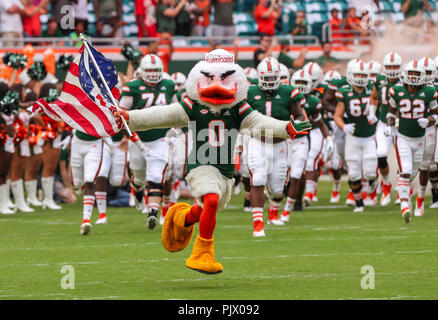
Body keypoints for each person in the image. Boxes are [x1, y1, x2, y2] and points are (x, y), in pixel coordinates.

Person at [113, 48, 311, 274]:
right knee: (211, 201)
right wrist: (130, 117)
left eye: (224, 78)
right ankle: (203, 252)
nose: (217, 85)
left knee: (205, 206)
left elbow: (260, 122)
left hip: (225, 171)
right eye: (210, 78)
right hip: (200, 164)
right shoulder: (193, 105)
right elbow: (161, 115)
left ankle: (182, 218)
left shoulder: (238, 107)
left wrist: (286, 128)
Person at [246, 57, 307, 236]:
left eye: (274, 78)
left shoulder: (288, 91)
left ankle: (273, 212)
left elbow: (300, 115)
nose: (270, 82)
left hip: (281, 145)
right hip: (258, 142)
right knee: (257, 179)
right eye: (267, 78)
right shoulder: (251, 92)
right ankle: (258, 224)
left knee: (278, 188)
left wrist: (294, 126)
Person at [118, 54, 176, 229]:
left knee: (157, 175)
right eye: (149, 70)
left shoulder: (169, 85)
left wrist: (175, 129)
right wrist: (131, 135)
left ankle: (152, 213)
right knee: (140, 176)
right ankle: (137, 189)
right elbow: (120, 116)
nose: (152, 74)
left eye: (156, 70)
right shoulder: (132, 87)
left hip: (160, 138)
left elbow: (176, 109)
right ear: (142, 71)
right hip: (138, 140)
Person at [385, 60, 438, 222]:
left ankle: (416, 199)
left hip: (421, 138)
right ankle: (405, 206)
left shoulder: (430, 91)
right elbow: (391, 112)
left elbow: (436, 114)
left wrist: (428, 121)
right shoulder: (397, 90)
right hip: (403, 138)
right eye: (412, 74)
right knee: (405, 171)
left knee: (415, 172)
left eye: (417, 75)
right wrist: (389, 125)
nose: (414, 78)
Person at [334, 60, 378, 212]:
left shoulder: (373, 89)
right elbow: (337, 115)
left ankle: (373, 182)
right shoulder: (344, 91)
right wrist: (343, 126)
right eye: (357, 74)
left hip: (370, 135)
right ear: (351, 75)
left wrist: (376, 115)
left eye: (363, 75)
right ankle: (359, 203)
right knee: (353, 173)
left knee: (370, 171)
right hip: (353, 136)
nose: (360, 78)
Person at [367, 51, 403, 207]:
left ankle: (403, 190)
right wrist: (372, 112)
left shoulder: (406, 81)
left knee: (403, 158)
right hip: (383, 122)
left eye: (395, 66)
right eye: (390, 66)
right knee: (381, 155)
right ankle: (386, 185)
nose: (393, 69)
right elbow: (374, 97)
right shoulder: (380, 79)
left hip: (402, 124)